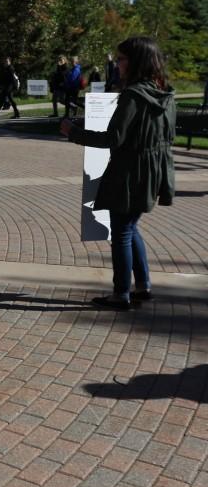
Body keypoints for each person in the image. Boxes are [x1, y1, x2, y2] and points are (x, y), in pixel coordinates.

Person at [60, 37, 175, 310]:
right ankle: (142, 286)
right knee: (130, 227)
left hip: (128, 172)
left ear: (135, 62)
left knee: (122, 232)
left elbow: (114, 138)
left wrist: (73, 132)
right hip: (151, 171)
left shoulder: (133, 95)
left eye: (121, 59)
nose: (117, 65)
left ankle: (120, 293)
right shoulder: (164, 94)